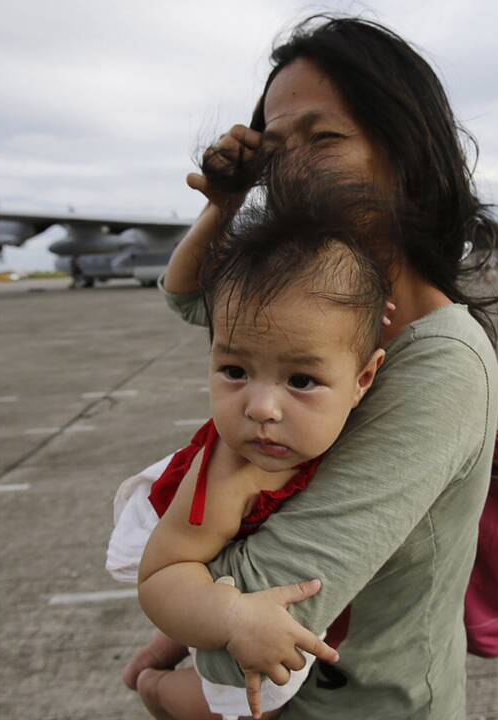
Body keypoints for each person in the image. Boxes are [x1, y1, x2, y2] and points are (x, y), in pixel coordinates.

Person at [126, 15, 498, 720]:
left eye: (324, 139)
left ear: (406, 154)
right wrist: (226, 203)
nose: (291, 167)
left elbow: (234, 642)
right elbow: (185, 301)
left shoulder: (441, 364)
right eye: (276, 145)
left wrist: (183, 609)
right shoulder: (318, 314)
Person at [111, 167, 390, 719]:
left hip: (231, 550)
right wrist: (236, 618)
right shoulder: (234, 471)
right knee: (248, 705)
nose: (261, 408)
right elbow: (164, 577)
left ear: (364, 380)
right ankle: (154, 688)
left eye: (302, 380)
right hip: (186, 549)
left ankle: (168, 649)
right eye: (234, 370)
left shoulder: (361, 411)